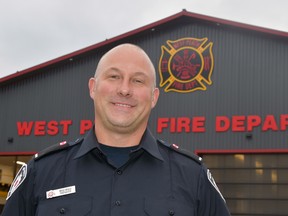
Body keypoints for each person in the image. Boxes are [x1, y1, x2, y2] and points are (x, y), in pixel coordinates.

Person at [2, 44, 231, 215]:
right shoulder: (41, 172)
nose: (124, 89)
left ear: (153, 97)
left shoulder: (193, 177)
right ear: (93, 88)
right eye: (114, 77)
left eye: (138, 81)